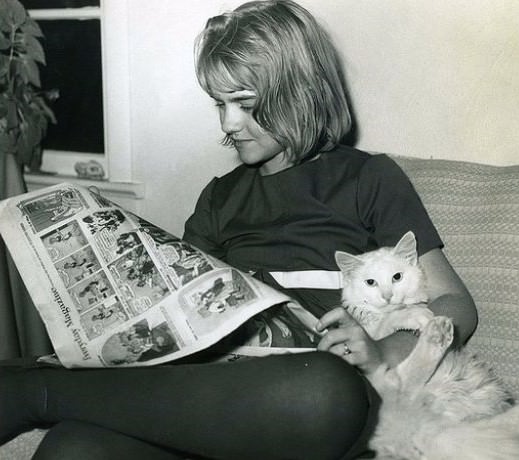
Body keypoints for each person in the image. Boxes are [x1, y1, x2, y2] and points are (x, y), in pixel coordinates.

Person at [0, 1, 477, 459]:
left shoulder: (367, 178)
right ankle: (47, 387)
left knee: (320, 389)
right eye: (220, 104)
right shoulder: (219, 197)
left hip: (319, 396)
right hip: (215, 396)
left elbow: (455, 305)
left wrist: (381, 351)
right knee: (76, 447)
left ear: (302, 93)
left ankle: (33, 391)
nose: (230, 123)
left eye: (246, 104)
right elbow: (177, 317)